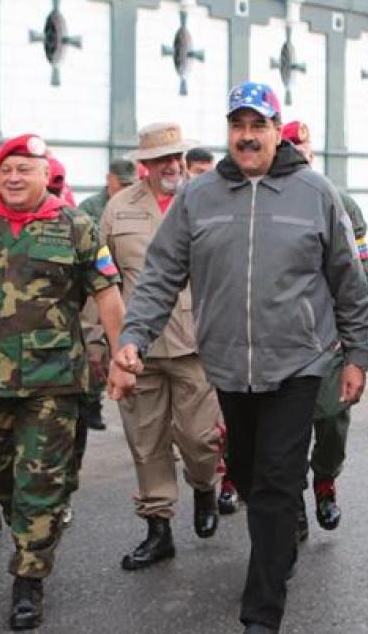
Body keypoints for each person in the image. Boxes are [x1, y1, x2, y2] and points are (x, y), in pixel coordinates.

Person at [110, 81, 368, 634]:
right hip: (227, 365)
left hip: (298, 363)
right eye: (238, 126)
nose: (248, 137)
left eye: (258, 126)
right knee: (252, 478)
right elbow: (159, 275)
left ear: (278, 131)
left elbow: (349, 281)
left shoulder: (316, 193)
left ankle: (261, 612)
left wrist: (357, 354)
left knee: (276, 482)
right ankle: (280, 542)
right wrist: (134, 335)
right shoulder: (198, 198)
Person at [0, 133, 126, 630]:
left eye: (26, 169)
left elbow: (106, 294)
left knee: (37, 482)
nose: (15, 178)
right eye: (7, 169)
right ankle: (26, 515)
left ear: (46, 175)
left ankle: (28, 579)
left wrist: (123, 355)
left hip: (53, 379)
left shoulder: (75, 227)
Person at [101, 121, 223, 571]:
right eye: (161, 159)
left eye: (177, 157)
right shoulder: (118, 209)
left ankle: (204, 485)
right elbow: (103, 282)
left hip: (198, 344)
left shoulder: (210, 199)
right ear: (144, 165)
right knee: (145, 441)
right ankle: (158, 529)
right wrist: (103, 346)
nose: (172, 165)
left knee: (200, 438)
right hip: (139, 348)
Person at [282, 119, 368, 538]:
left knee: (333, 423)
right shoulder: (267, 203)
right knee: (288, 430)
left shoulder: (340, 202)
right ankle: (294, 502)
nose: (299, 153)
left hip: (331, 338)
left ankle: (325, 480)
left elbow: (361, 269)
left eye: (304, 146)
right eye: (290, 145)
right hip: (284, 341)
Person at [75, 157, 138, 434]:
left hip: (125, 286)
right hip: (95, 282)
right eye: (120, 183)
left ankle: (97, 400)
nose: (124, 188)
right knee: (93, 347)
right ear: (108, 179)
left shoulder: (134, 205)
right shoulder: (90, 208)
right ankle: (91, 400)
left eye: (129, 184)